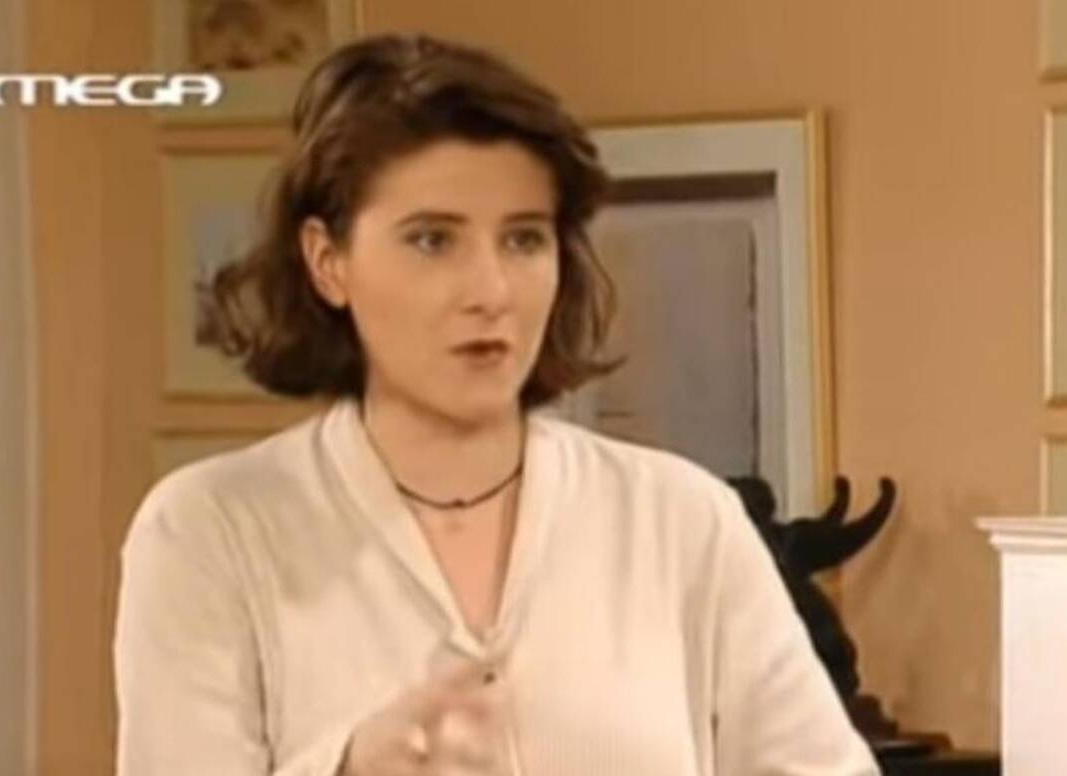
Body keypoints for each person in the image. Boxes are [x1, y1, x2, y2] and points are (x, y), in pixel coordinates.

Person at [114, 34, 879, 776]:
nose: (491, 292)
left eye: (523, 241)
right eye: (431, 240)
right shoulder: (209, 533)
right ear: (327, 261)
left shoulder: (682, 519)